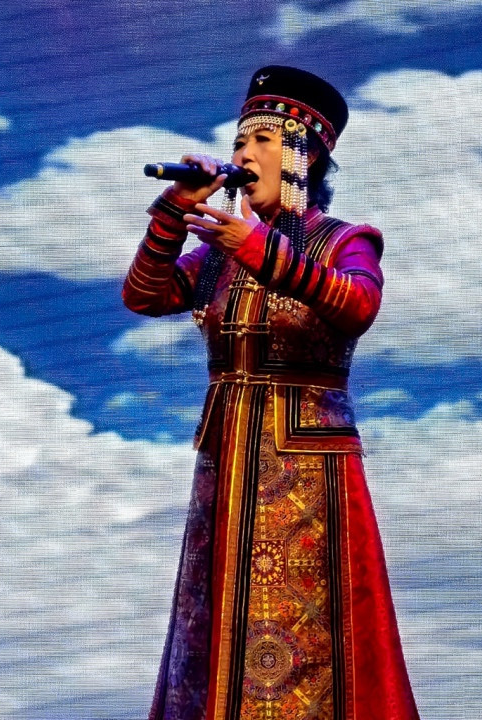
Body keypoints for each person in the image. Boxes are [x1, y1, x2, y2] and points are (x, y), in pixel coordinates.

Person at [122, 66, 420, 720]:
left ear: (304, 158)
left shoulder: (345, 240)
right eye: (239, 143)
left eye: (263, 141)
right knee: (216, 615)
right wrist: (175, 211)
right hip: (225, 460)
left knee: (307, 623)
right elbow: (144, 295)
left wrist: (259, 248)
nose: (244, 154)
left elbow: (358, 304)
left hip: (308, 465)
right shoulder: (219, 256)